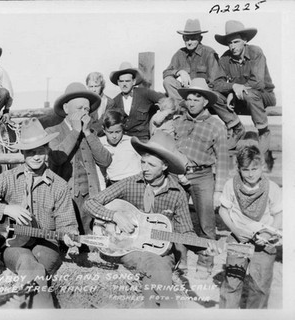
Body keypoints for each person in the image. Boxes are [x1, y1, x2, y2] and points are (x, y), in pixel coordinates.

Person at [83, 132, 218, 308]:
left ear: (164, 166)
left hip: (162, 251)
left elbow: (186, 231)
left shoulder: (177, 194)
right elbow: (90, 203)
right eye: (143, 162)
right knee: (156, 266)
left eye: (151, 164)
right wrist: (114, 216)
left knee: (153, 277)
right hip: (129, 248)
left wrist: (203, 248)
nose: (145, 168)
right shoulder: (130, 183)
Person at [0, 118, 80, 308]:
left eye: (40, 151)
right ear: (22, 153)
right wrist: (6, 208)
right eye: (30, 152)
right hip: (14, 244)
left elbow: (67, 225)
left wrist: (71, 239)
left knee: (37, 262)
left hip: (47, 243)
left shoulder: (59, 185)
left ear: (47, 150)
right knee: (27, 262)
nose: (36, 157)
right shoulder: (9, 178)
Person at [173, 78, 229, 278]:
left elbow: (223, 160)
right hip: (178, 173)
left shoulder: (217, 125)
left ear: (205, 101)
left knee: (206, 222)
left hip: (203, 175)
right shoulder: (178, 121)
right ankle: (181, 259)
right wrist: (177, 171)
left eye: (197, 98)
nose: (192, 102)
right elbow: (170, 148)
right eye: (189, 99)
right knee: (178, 218)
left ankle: (206, 262)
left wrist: (219, 190)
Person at [163, 18, 245, 149]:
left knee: (214, 95)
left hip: (205, 93)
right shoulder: (179, 54)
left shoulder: (209, 53)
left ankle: (236, 126)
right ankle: (184, 116)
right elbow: (166, 73)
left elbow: (216, 81)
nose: (189, 42)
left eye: (193, 38)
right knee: (168, 81)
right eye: (186, 38)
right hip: (188, 97)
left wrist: (200, 87)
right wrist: (179, 72)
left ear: (200, 38)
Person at [218, 145, 282, 309]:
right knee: (232, 282)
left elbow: (279, 215)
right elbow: (223, 211)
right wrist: (236, 230)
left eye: (255, 168)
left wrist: (268, 235)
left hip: (263, 242)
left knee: (260, 286)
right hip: (239, 238)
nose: (251, 174)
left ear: (263, 167)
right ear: (238, 168)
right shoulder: (230, 185)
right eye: (246, 170)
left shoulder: (272, 188)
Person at [45, 82, 112, 236]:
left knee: (89, 239)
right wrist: (75, 131)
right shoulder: (52, 131)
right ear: (66, 108)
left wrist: (87, 133)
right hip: (63, 197)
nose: (84, 113)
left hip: (90, 194)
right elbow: (56, 158)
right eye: (79, 108)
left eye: (87, 109)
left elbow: (105, 161)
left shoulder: (90, 132)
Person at [214, 20, 276, 156]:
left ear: (245, 40)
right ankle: (236, 127)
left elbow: (258, 83)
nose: (232, 46)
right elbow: (217, 83)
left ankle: (263, 132)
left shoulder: (256, 53)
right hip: (241, 99)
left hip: (264, 95)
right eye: (229, 43)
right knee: (214, 96)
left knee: (249, 93)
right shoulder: (225, 59)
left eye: (236, 42)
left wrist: (234, 93)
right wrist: (233, 87)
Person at [110, 62, 165, 142]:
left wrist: (162, 114)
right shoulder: (115, 101)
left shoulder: (145, 93)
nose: (124, 84)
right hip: (123, 140)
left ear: (134, 81)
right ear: (118, 82)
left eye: (127, 81)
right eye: (121, 81)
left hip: (142, 140)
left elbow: (166, 101)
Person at [99, 110, 141, 187]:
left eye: (118, 132)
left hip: (134, 181)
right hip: (114, 183)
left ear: (123, 129)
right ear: (104, 130)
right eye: (110, 132)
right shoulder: (100, 143)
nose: (114, 136)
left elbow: (142, 161)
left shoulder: (131, 141)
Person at [85, 71, 115, 136]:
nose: (93, 90)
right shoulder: (84, 101)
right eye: (91, 86)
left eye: (96, 86)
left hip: (101, 135)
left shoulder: (109, 102)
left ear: (101, 86)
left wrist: (90, 131)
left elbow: (105, 122)